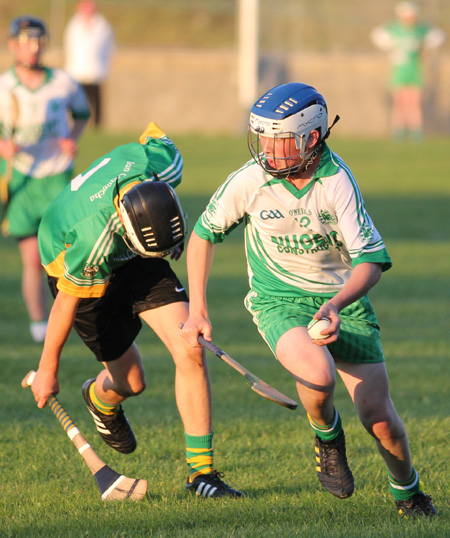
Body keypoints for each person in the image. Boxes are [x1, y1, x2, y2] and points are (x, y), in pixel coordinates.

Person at [181, 82, 437, 517]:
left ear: (311, 139)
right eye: (261, 139)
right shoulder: (251, 180)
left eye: (278, 142)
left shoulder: (336, 181)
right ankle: (327, 436)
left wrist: (336, 305)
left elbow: (370, 263)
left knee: (380, 418)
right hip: (278, 300)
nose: (266, 151)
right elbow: (203, 235)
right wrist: (198, 310)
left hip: (343, 302)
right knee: (318, 377)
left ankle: (407, 493)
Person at [31, 122, 244, 499]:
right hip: (77, 271)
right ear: (127, 234)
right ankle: (100, 399)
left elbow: (155, 136)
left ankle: (202, 474)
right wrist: (48, 369)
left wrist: (167, 246)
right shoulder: (91, 239)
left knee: (190, 348)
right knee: (132, 382)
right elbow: (66, 302)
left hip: (136, 256)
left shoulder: (166, 166)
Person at [0, 16, 90, 343]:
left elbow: (82, 114)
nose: (33, 48)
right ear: (13, 45)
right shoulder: (4, 86)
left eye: (38, 41)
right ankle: (39, 324)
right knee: (31, 260)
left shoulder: (63, 82)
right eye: (26, 41)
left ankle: (76, 315)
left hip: (57, 177)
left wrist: (73, 139)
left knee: (70, 254)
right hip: (22, 178)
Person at [371, 1, 446, 141]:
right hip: (399, 70)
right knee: (400, 102)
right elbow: (378, 36)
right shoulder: (394, 29)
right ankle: (398, 133)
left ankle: (416, 133)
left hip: (415, 69)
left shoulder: (420, 29)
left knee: (414, 102)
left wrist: (427, 46)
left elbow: (438, 36)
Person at [64, 0, 115, 128]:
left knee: (95, 102)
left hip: (96, 70)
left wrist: (105, 65)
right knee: (77, 103)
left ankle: (97, 126)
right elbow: (70, 48)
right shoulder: (74, 25)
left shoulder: (103, 26)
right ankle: (76, 125)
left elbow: (109, 48)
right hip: (77, 71)